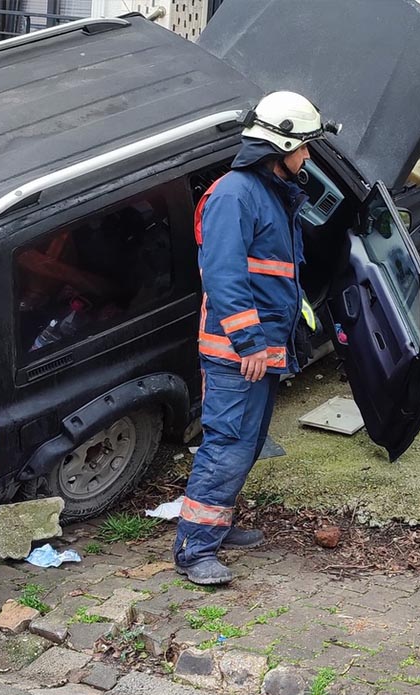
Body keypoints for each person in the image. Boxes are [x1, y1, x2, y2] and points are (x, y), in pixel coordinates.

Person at [174, 91, 332, 586]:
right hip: (237, 353)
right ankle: (193, 548)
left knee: (247, 443)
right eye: (302, 148)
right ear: (278, 146)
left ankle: (216, 526)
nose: (307, 157)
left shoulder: (266, 193)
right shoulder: (234, 195)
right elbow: (223, 277)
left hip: (261, 349)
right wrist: (250, 344)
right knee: (227, 444)